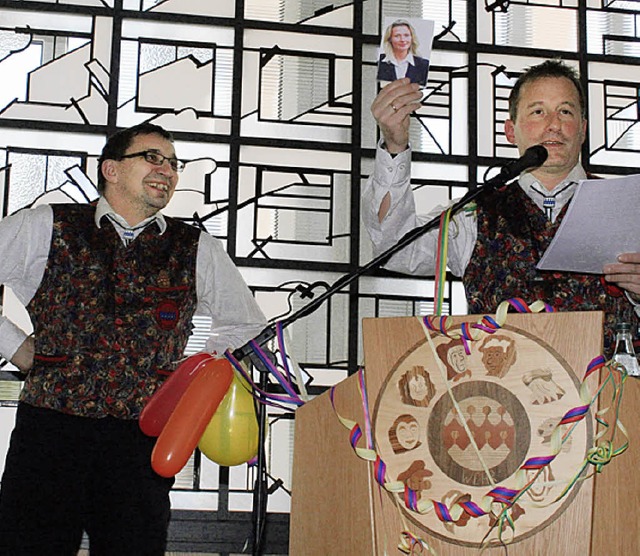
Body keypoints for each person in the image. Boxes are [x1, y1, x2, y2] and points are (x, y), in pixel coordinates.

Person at [0, 122, 267, 555]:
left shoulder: (194, 246)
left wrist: (188, 379)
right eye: (153, 157)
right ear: (111, 169)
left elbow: (245, 325)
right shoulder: (46, 225)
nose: (168, 170)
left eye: (174, 164)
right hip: (50, 430)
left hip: (141, 440)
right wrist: (14, 345)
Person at [362, 59, 640, 357]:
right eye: (538, 111)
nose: (554, 124)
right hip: (497, 395)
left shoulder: (628, 207)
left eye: (565, 111)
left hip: (609, 394)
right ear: (510, 131)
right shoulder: (474, 212)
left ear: (583, 129)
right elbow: (396, 248)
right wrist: (394, 145)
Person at [377, 19, 430, 87]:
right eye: (397, 36)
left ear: (412, 38)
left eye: (406, 35)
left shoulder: (423, 65)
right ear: (390, 39)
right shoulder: (380, 62)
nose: (402, 40)